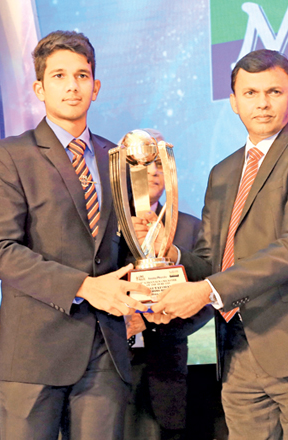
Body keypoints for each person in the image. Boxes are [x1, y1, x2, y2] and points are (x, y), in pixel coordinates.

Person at [148, 49, 288, 439]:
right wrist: (170, 254)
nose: (262, 103)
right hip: (237, 348)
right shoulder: (223, 171)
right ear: (233, 102)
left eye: (274, 92)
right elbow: (212, 257)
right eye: (251, 92)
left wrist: (206, 292)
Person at [0, 30, 150, 440]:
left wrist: (149, 270)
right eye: (58, 76)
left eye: (82, 75)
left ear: (96, 86)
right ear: (39, 87)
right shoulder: (8, 155)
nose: (72, 85)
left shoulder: (120, 158)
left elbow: (130, 248)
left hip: (106, 348)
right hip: (34, 350)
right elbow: (0, 250)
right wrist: (85, 287)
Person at [123, 130, 214, 440]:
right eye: (141, 166)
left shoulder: (189, 227)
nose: (152, 173)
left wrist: (150, 321)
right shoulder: (100, 229)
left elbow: (210, 293)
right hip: (104, 371)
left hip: (167, 368)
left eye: (159, 166)